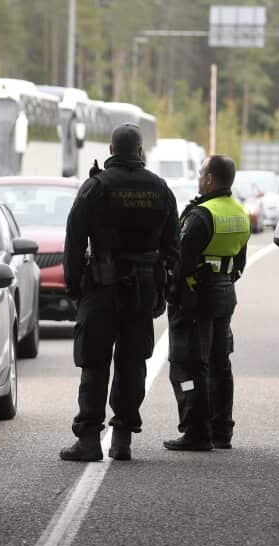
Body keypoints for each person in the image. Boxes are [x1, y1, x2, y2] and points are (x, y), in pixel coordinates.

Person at [59, 124, 179, 462]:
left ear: (111, 151)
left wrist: (73, 287)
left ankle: (89, 440)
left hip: (101, 286)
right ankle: (122, 438)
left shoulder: (95, 188)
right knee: (132, 362)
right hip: (142, 287)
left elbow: (73, 242)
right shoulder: (160, 189)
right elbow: (173, 247)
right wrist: (163, 288)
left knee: (95, 362)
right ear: (140, 152)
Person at [163, 155, 250, 451]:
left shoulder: (201, 215)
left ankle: (195, 430)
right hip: (225, 292)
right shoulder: (239, 212)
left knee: (187, 366)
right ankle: (221, 430)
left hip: (197, 295)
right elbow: (239, 262)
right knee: (219, 362)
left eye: (201, 173)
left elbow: (181, 260)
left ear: (210, 179)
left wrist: (174, 295)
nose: (199, 178)